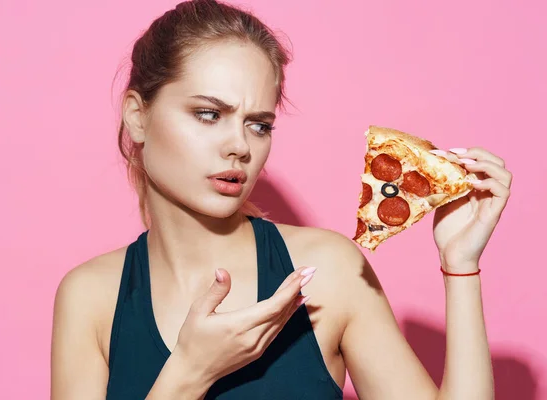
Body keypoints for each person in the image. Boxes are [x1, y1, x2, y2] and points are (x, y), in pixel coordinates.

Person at [50, 0, 512, 399]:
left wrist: (460, 263)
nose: (240, 146)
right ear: (137, 117)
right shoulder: (92, 297)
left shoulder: (327, 272)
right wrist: (189, 372)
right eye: (209, 114)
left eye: (259, 124)